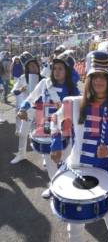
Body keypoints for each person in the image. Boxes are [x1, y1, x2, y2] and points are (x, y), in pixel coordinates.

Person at [50, 50, 108, 242]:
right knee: (74, 230)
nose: (98, 81)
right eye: (95, 76)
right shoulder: (75, 104)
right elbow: (54, 119)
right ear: (89, 79)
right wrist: (56, 144)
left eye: (104, 77)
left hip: (106, 174)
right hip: (77, 170)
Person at [17, 53, 80, 198]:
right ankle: (54, 186)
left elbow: (78, 112)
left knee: (65, 161)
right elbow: (31, 98)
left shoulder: (73, 90)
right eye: (54, 68)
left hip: (65, 129)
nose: (56, 72)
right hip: (46, 128)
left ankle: (67, 188)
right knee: (50, 160)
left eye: (60, 69)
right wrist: (22, 109)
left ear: (67, 71)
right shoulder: (45, 83)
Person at [10, 52, 44, 164]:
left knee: (44, 133)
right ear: (27, 68)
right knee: (23, 133)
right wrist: (21, 89)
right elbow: (14, 91)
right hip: (27, 109)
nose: (33, 68)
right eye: (29, 67)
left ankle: (46, 156)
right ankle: (21, 154)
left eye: (34, 66)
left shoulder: (44, 79)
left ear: (38, 66)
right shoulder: (23, 78)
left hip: (41, 109)